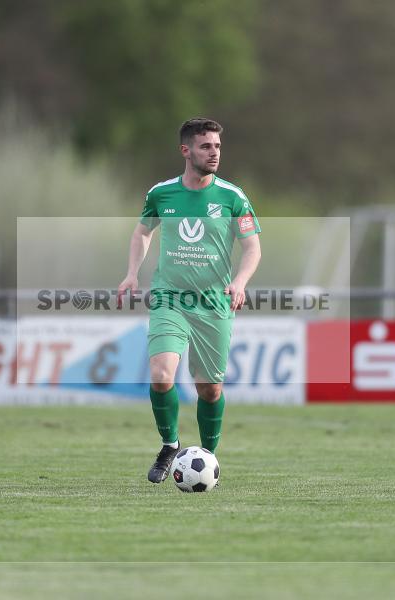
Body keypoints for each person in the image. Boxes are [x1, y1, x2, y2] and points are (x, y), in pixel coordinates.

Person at [117, 118, 262, 484]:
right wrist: (133, 273)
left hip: (215, 303)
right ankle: (170, 445)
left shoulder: (232, 196)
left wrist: (241, 282)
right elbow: (142, 232)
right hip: (170, 298)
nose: (214, 153)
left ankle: (207, 455)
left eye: (217, 147)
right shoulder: (162, 194)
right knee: (161, 375)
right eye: (205, 146)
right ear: (186, 150)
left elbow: (252, 247)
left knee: (209, 388)